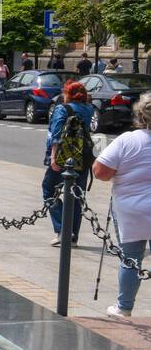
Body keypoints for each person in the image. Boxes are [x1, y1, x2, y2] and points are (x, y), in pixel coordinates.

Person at [94, 92, 151, 318]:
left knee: (130, 258)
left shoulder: (128, 140)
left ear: (140, 115)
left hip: (131, 208)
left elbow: (100, 172)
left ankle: (124, 308)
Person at [42, 80, 96, 247]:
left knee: (49, 190)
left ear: (68, 94)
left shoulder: (62, 109)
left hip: (63, 158)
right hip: (83, 158)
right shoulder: (89, 109)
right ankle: (73, 237)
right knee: (77, 196)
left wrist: (53, 157)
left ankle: (62, 230)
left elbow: (56, 135)